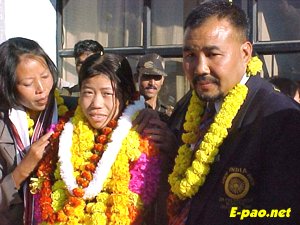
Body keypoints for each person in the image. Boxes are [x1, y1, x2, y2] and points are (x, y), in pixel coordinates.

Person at [161, 1, 300, 224]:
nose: (199, 68)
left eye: (212, 54)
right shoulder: (188, 108)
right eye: (190, 56)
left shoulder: (282, 119)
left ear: (245, 53)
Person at [29, 53, 162, 224]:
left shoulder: (146, 135)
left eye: (107, 93)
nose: (96, 104)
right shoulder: (61, 137)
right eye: (88, 92)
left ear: (126, 93)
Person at [0, 37, 68, 225]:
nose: (41, 89)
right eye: (28, 83)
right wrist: (24, 168)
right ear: (8, 85)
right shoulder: (3, 124)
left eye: (45, 77)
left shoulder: (70, 112)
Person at [136, 53, 172, 121]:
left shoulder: (168, 114)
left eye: (157, 77)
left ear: (162, 80)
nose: (152, 83)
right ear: (137, 77)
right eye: (147, 76)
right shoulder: (127, 111)